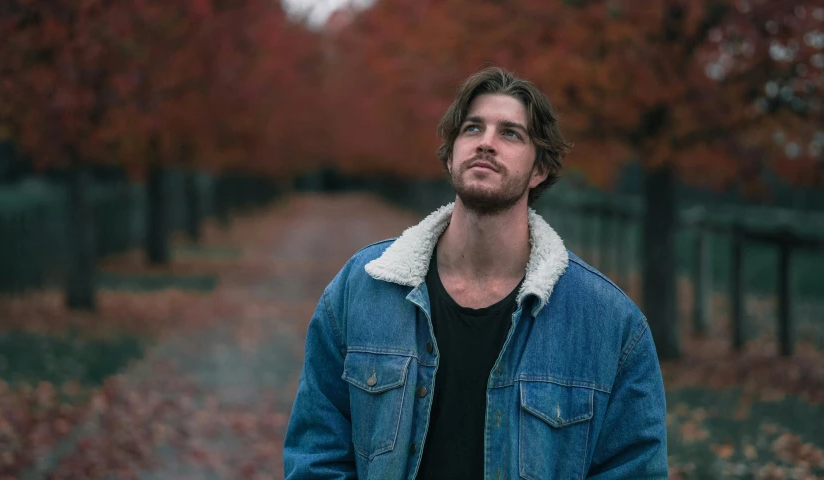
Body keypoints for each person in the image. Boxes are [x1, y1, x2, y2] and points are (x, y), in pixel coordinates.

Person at [283, 66, 668, 479]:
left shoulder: (609, 323)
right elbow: (316, 454)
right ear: (450, 155)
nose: (486, 143)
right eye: (472, 129)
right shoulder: (360, 288)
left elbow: (633, 469)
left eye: (510, 133)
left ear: (540, 169)